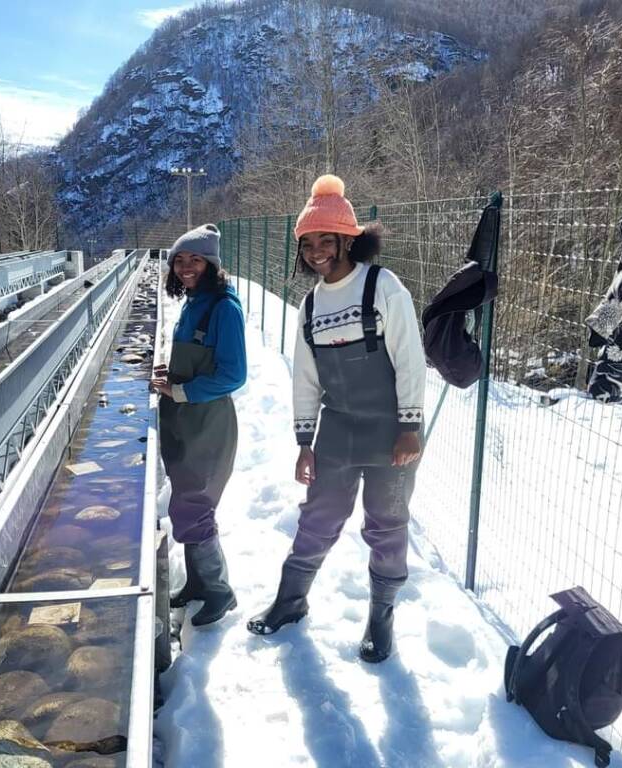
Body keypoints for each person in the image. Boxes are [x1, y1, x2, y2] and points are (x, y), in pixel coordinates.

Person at [246, 175, 426, 663]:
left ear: (349, 239)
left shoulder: (382, 286)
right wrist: (305, 440)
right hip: (338, 428)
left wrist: (410, 426)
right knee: (318, 518)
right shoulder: (311, 305)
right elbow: (306, 378)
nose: (317, 251)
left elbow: (410, 359)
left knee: (387, 524)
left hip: (392, 430)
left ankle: (380, 619)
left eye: (326, 240)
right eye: (308, 243)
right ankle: (290, 601)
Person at [151, 223, 247, 626]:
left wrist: (182, 392)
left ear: (212, 264)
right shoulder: (193, 302)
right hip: (185, 421)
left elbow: (233, 375)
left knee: (195, 507)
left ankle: (219, 591)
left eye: (196, 260)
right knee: (188, 504)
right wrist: (169, 374)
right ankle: (196, 583)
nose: (186, 267)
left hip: (208, 425)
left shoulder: (223, 307)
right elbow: (197, 360)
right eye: (180, 260)